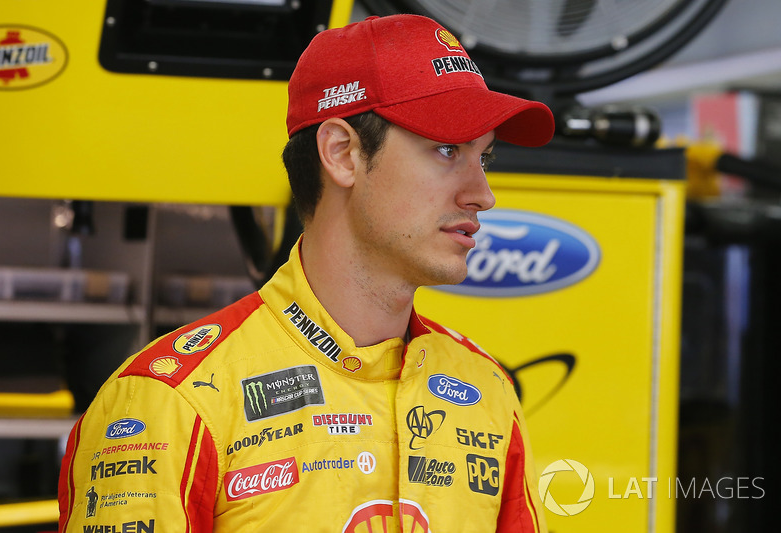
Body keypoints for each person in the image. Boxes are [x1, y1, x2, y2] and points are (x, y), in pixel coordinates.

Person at [58, 13, 554, 533]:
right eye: (448, 149)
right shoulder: (173, 400)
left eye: (484, 158)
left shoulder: (486, 390)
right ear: (342, 154)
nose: (482, 194)